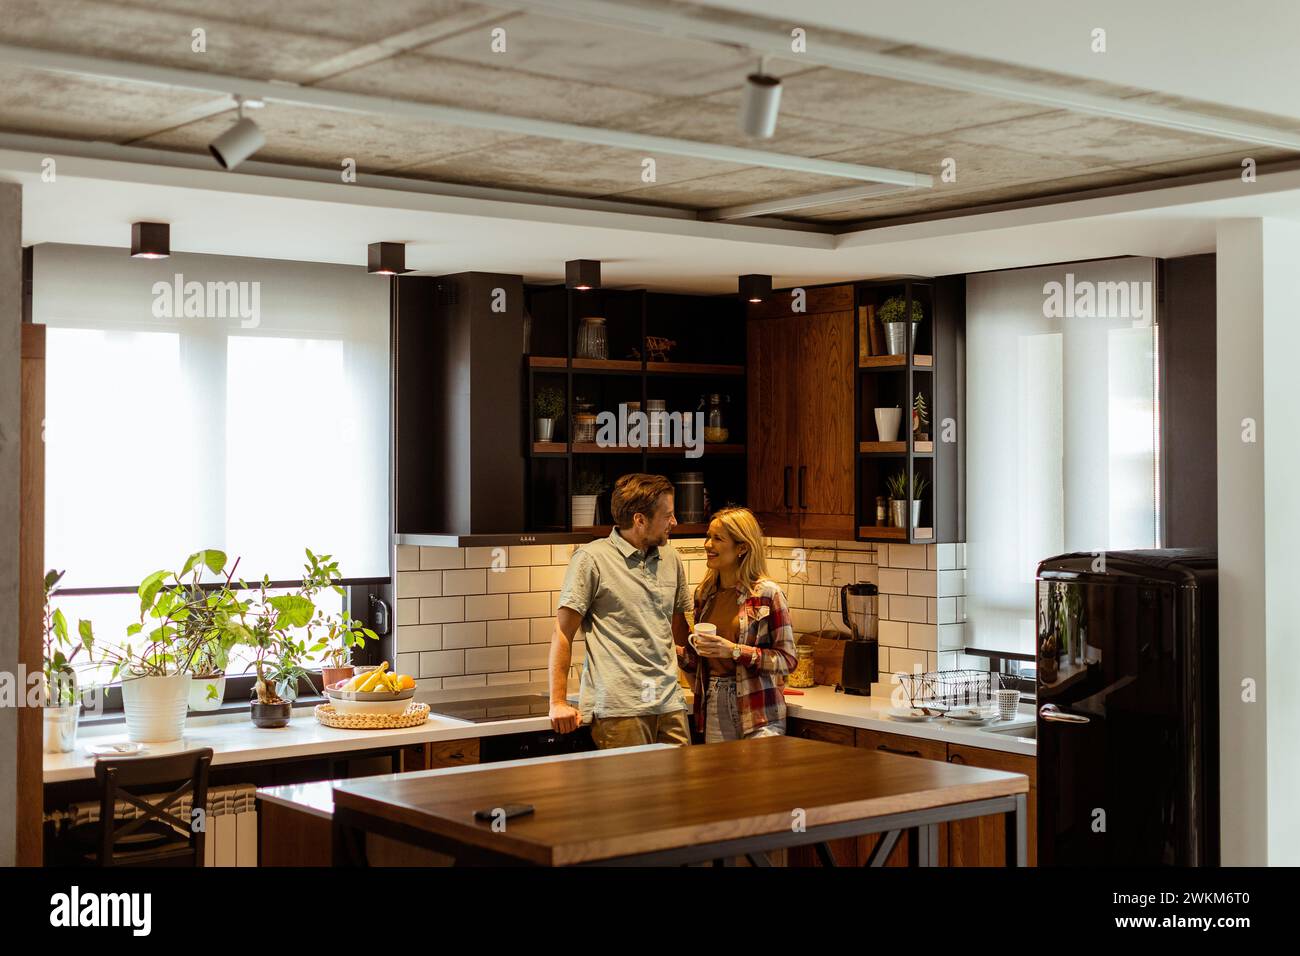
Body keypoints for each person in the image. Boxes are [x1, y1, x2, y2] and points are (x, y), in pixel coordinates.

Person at [548, 473, 693, 749]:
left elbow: (677, 631)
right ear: (640, 520)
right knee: (629, 793)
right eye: (668, 516)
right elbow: (563, 632)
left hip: (669, 705)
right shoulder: (591, 559)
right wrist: (558, 702)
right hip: (620, 709)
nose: (674, 522)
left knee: (681, 792)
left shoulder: (671, 558)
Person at [679, 507, 797, 741]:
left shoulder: (767, 594)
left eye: (718, 539)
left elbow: (788, 659)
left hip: (758, 706)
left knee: (757, 778)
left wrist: (734, 650)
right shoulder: (705, 594)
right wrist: (674, 653)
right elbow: (701, 662)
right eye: (708, 536)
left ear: (742, 547)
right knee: (721, 776)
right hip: (715, 702)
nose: (707, 545)